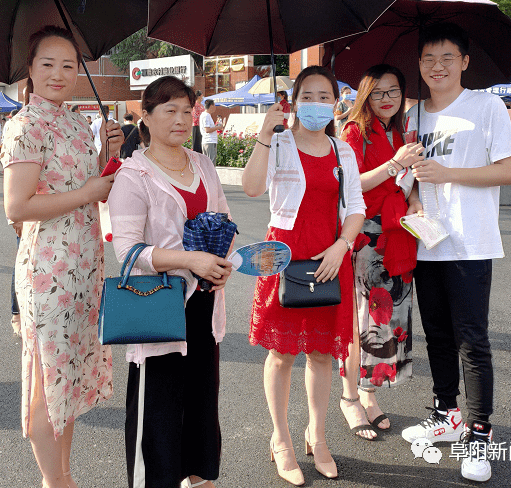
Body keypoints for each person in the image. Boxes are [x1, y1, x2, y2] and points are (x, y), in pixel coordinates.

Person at [1, 25, 122, 488]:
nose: (58, 73)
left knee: (67, 380)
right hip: (48, 269)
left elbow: (86, 186)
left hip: (85, 266)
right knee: (44, 379)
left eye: (68, 65)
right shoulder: (24, 125)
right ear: (29, 70)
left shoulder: (73, 120)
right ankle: (57, 483)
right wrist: (88, 189)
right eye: (47, 63)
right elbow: (18, 206)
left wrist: (105, 156)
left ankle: (64, 474)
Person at [401, 23, 511, 483]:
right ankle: (446, 415)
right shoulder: (414, 115)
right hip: (427, 243)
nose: (438, 66)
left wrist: (449, 173)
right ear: (420, 65)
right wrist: (412, 197)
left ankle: (478, 433)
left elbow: (508, 170)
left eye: (448, 57)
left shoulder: (486, 105)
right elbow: (409, 180)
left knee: (473, 340)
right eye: (429, 58)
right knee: (438, 336)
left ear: (465, 62)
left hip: (470, 241)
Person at [242, 66, 366, 485]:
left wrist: (341, 245)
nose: (316, 104)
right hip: (282, 255)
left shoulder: (341, 148)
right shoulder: (277, 142)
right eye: (307, 97)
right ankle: (281, 438)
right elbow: (253, 187)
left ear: (336, 102)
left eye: (324, 96)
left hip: (330, 257)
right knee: (281, 354)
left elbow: (357, 209)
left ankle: (318, 433)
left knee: (320, 354)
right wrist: (264, 134)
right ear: (294, 102)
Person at [109, 76, 233, 488]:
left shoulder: (203, 164)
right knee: (157, 416)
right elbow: (127, 253)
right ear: (145, 116)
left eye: (187, 111)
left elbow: (224, 223)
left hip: (205, 306)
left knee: (201, 407)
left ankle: (200, 479)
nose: (182, 120)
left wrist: (222, 261)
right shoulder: (134, 175)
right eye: (170, 110)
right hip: (160, 309)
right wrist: (190, 259)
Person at [338, 65, 424, 442]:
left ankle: (369, 392)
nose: (387, 99)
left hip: (399, 230)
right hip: (367, 235)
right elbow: (351, 183)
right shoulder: (354, 131)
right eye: (379, 93)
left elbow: (412, 179)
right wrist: (396, 163)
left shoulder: (404, 130)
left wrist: (416, 202)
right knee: (364, 320)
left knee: (388, 318)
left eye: (394, 91)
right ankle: (349, 397)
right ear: (365, 96)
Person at [199, 99, 223, 165]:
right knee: (211, 164)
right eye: (214, 105)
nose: (215, 107)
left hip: (207, 141)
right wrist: (218, 127)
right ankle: (210, 175)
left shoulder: (205, 115)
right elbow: (207, 130)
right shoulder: (206, 115)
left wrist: (216, 126)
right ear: (211, 106)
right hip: (210, 141)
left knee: (207, 164)